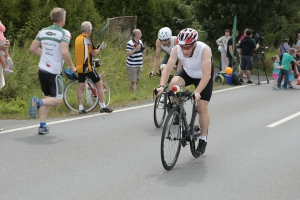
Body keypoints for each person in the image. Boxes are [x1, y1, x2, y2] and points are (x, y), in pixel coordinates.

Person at [156, 28, 213, 156]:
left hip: (203, 77)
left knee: (202, 107)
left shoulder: (204, 50)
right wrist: (161, 85)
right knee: (173, 85)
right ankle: (178, 109)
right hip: (188, 73)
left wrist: (197, 92)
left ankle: (203, 139)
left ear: (194, 44)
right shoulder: (177, 49)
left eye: (187, 47)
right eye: (182, 47)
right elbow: (167, 69)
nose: (184, 50)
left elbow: (207, 75)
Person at [28, 7, 76, 135]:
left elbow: (32, 48)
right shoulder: (64, 33)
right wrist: (71, 66)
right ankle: (37, 102)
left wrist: (45, 55)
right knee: (58, 101)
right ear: (62, 19)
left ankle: (42, 126)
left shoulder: (43, 31)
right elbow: (64, 52)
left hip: (42, 69)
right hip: (54, 72)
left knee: (47, 97)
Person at [75, 21, 113, 114]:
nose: (91, 31)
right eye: (91, 30)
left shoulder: (77, 39)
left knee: (80, 86)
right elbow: (94, 53)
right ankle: (103, 106)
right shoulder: (88, 39)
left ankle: (80, 107)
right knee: (99, 84)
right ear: (88, 30)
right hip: (88, 67)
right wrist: (100, 48)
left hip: (79, 66)